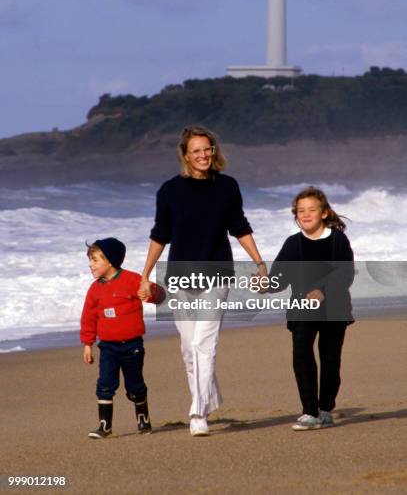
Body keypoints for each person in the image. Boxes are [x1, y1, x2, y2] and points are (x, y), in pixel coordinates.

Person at [140, 125, 267, 436]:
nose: (203, 155)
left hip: (216, 274)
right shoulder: (169, 191)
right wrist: (144, 274)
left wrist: (260, 263)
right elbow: (161, 235)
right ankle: (209, 396)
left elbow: (240, 227)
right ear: (185, 155)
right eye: (196, 150)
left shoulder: (227, 187)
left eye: (208, 149)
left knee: (203, 344)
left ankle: (198, 413)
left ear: (214, 151)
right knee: (188, 347)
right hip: (181, 278)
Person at [269, 186, 354, 430]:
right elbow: (279, 278)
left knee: (330, 358)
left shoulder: (337, 239)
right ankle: (309, 412)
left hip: (334, 308)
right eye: (300, 211)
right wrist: (265, 283)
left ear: (324, 213)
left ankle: (325, 408)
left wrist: (322, 291)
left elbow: (345, 273)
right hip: (301, 308)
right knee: (301, 354)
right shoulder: (292, 243)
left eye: (312, 209)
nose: (305, 214)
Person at [80, 237, 164, 439]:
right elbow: (89, 318)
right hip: (107, 347)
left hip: (133, 346)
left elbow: (159, 295)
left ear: (110, 260)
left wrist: (151, 293)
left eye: (95, 260)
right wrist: (88, 344)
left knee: (135, 386)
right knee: (105, 384)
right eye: (90, 260)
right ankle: (104, 426)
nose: (90, 264)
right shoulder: (95, 289)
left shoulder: (132, 280)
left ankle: (143, 420)